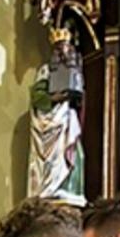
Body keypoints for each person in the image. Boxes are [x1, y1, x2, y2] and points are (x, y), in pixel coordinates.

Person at [27, 28, 85, 206]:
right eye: (60, 49)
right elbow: (38, 97)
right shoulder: (45, 71)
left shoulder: (74, 70)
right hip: (50, 122)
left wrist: (75, 94)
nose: (64, 52)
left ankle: (69, 188)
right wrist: (59, 96)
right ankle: (50, 189)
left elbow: (80, 98)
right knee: (55, 156)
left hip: (67, 119)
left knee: (77, 155)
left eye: (67, 49)